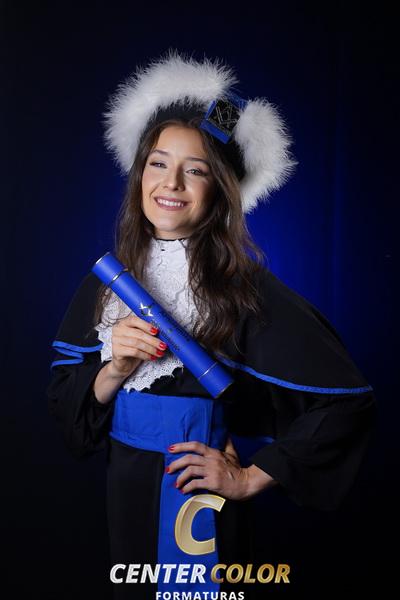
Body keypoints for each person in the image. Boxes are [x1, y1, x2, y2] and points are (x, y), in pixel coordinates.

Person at [47, 50, 376, 599]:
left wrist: (248, 478)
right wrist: (114, 369)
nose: (171, 182)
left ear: (220, 189)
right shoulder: (109, 280)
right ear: (139, 173)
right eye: (158, 163)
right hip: (127, 486)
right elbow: (69, 415)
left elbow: (347, 404)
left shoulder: (241, 286)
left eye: (196, 169)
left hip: (197, 492)